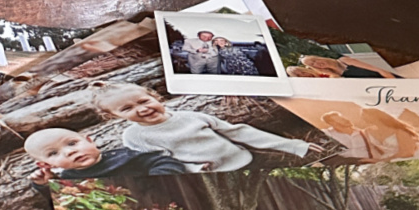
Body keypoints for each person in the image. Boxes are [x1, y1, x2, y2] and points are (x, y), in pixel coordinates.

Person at [91, 82, 314, 173]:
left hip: (244, 160)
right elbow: (158, 162)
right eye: (127, 109)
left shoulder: (190, 116)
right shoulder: (135, 136)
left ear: (155, 96)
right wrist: (193, 170)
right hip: (208, 175)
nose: (141, 110)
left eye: (144, 101)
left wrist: (294, 146)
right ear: (113, 116)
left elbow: (239, 132)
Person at [22, 127, 189, 182]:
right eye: (53, 153)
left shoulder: (125, 157)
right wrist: (44, 184)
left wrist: (159, 179)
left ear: (90, 141)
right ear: (46, 165)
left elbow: (164, 162)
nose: (70, 151)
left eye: (72, 143)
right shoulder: (69, 179)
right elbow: (58, 201)